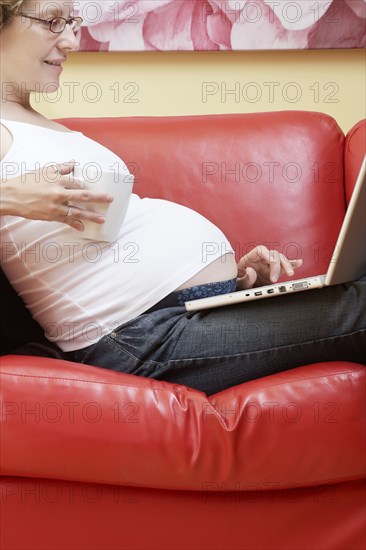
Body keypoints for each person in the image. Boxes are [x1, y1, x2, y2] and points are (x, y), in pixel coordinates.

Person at [1, 0, 365, 395]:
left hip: (183, 314)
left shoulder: (33, 121)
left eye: (72, 22)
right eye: (53, 22)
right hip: (138, 340)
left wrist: (238, 282)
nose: (71, 40)